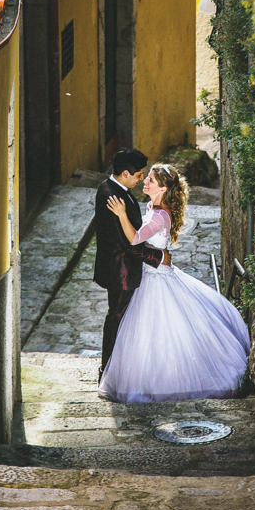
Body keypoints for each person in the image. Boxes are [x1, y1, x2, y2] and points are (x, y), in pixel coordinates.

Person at [99, 163, 250, 403]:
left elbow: (135, 238)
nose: (144, 182)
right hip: (152, 272)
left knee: (157, 331)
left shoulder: (160, 215)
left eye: (149, 180)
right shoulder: (154, 207)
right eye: (145, 178)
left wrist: (121, 214)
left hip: (156, 279)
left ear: (162, 188)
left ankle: (161, 383)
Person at [94, 149, 170, 379]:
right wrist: (158, 258)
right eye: (139, 175)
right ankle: (108, 371)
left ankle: (120, 367)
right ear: (125, 173)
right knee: (117, 318)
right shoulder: (112, 196)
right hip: (121, 271)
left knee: (124, 318)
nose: (142, 179)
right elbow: (127, 243)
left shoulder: (115, 189)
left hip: (123, 268)